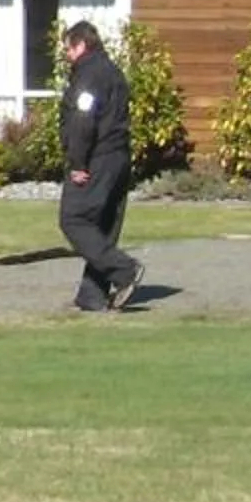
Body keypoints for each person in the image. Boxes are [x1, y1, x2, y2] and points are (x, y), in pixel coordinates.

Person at [58, 20, 143, 312]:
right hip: (119, 156)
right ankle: (92, 295)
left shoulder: (89, 75)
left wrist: (78, 162)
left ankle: (124, 270)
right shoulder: (114, 73)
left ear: (81, 45)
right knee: (104, 224)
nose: (67, 55)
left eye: (68, 48)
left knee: (74, 219)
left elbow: (83, 120)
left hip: (97, 157)